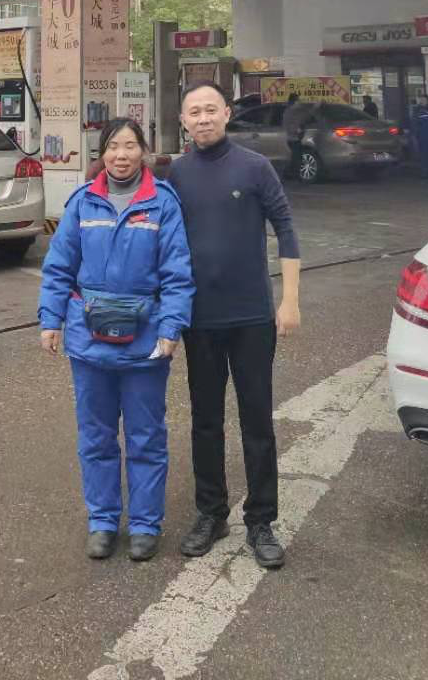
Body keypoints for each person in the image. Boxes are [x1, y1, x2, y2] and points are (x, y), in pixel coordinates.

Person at [39, 117, 194, 562]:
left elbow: (177, 273)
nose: (121, 155)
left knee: (146, 437)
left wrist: (170, 328)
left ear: (143, 151)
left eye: (129, 146)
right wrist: (51, 320)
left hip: (145, 343)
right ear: (102, 152)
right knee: (96, 437)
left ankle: (145, 523)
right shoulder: (83, 202)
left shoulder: (163, 202)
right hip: (89, 343)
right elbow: (59, 266)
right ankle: (103, 521)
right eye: (113, 146)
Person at [169, 82, 301, 571]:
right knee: (205, 420)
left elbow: (286, 228)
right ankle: (211, 513)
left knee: (256, 420)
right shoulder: (177, 173)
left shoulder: (254, 166)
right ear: (183, 120)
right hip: (199, 318)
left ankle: (261, 520)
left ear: (226, 113)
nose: (203, 118)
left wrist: (290, 300)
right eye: (194, 112)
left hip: (251, 317)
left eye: (211, 109)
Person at [282, 92, 314, 179]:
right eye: (298, 100)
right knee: (296, 158)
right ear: (294, 102)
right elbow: (287, 126)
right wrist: (296, 130)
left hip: (297, 138)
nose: (300, 102)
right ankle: (290, 175)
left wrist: (315, 107)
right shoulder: (288, 112)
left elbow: (306, 116)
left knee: (296, 158)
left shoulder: (297, 112)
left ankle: (291, 175)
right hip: (292, 139)